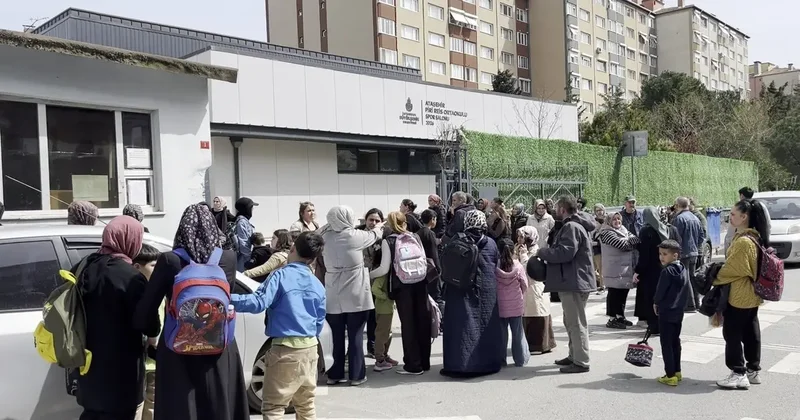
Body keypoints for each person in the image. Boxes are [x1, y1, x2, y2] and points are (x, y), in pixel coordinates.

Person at [133, 204, 249, 420]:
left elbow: (146, 311)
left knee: (181, 410)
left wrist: (152, 333)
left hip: (178, 348)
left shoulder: (170, 260)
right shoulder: (229, 258)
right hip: (219, 347)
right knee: (219, 406)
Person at [230, 232, 326, 419]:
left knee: (274, 408)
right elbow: (319, 321)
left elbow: (258, 303)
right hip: (310, 349)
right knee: (306, 406)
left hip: (284, 349)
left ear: (292, 248)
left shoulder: (281, 276)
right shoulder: (317, 284)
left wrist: (226, 298)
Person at [75, 216, 147, 420]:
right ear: (131, 239)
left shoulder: (83, 266)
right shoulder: (131, 276)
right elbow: (148, 323)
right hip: (120, 371)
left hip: (86, 364)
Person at [319, 205, 384, 386]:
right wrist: (380, 226)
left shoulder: (325, 238)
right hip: (356, 294)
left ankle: (335, 374)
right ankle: (356, 375)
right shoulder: (355, 236)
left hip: (333, 294)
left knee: (336, 337)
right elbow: (375, 234)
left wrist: (328, 224)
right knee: (355, 336)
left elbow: (317, 232)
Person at [440, 210, 505, 378]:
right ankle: (487, 362)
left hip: (459, 288)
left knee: (460, 327)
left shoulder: (457, 240)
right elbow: (495, 263)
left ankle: (459, 364)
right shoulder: (490, 243)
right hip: (486, 290)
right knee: (486, 326)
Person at [537, 196, 596, 374]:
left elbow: (565, 253)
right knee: (570, 321)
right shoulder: (575, 225)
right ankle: (574, 355)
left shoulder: (571, 226)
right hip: (573, 280)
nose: (554, 210)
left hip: (574, 281)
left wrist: (543, 252)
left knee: (576, 323)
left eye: (556, 207)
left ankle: (581, 361)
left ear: (563, 208)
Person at [713, 199, 767, 390]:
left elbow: (734, 269)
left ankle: (738, 372)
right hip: (752, 293)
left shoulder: (744, 241)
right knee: (751, 332)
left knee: (732, 332)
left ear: (744, 217)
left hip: (739, 294)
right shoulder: (755, 237)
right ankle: (753, 370)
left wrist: (712, 275)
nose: (730, 217)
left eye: (733, 214)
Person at [370, 211, 432, 375]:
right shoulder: (415, 237)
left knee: (409, 324)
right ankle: (424, 362)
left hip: (402, 285)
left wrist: (368, 275)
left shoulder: (389, 241)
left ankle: (413, 364)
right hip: (420, 282)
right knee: (422, 321)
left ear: (389, 224)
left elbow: (384, 268)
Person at [635, 207, 682, 334]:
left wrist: (638, 270)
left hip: (651, 271)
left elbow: (644, 255)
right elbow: (678, 247)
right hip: (670, 268)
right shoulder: (670, 229)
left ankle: (654, 326)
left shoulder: (646, 231)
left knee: (653, 297)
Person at [653, 239, 690, 387]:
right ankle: (677, 371)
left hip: (666, 311)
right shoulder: (683, 269)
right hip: (678, 311)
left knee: (666, 343)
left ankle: (670, 375)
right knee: (675, 341)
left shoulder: (667, 271)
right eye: (660, 254)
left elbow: (660, 291)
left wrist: (655, 302)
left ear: (675, 255)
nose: (662, 257)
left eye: (665, 254)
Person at [515, 226, 556, 354]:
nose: (520, 239)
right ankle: (528, 343)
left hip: (535, 287)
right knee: (527, 314)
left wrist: (523, 256)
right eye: (519, 236)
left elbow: (530, 270)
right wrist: (516, 254)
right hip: (525, 288)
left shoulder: (537, 251)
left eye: (523, 236)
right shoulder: (520, 249)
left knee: (537, 314)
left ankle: (540, 345)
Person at [597, 212, 640, 330]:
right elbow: (622, 245)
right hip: (613, 268)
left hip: (624, 268)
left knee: (623, 293)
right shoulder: (605, 232)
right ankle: (612, 319)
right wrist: (630, 242)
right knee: (614, 293)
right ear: (609, 221)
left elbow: (636, 239)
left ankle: (620, 316)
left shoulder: (623, 230)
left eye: (618, 219)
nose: (617, 221)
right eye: (614, 219)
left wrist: (629, 242)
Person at [133, 244, 161, 420]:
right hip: (138, 362)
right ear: (137, 267)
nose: (157, 271)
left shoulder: (159, 290)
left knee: (152, 403)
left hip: (153, 362)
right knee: (137, 404)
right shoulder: (135, 291)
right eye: (153, 266)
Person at [495, 238, 530, 367]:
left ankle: (501, 360)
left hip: (501, 305)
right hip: (516, 304)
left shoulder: (495, 266)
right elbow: (525, 285)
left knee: (502, 334)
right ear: (513, 250)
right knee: (517, 333)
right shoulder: (518, 266)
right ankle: (520, 359)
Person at [357, 208, 385, 358]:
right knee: (360, 316)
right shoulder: (358, 235)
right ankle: (354, 349)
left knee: (375, 315)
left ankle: (372, 346)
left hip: (377, 281)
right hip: (360, 280)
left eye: (377, 220)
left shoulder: (383, 236)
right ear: (365, 220)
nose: (373, 223)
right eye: (371, 219)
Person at [672, 197, 707, 312]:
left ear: (677, 205)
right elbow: (702, 236)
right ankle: (697, 303)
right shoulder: (695, 218)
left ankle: (690, 305)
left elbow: (675, 236)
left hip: (683, 253)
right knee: (692, 277)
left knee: (685, 278)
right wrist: (695, 246)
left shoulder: (679, 219)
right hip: (694, 252)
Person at [724, 187, 772, 253]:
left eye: (733, 215)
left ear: (741, 195)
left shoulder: (739, 208)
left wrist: (729, 246)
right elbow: (768, 224)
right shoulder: (760, 206)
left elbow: (730, 232)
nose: (731, 218)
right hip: (760, 243)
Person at [418, 209, 442, 304]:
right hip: (431, 268)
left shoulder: (418, 232)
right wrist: (439, 269)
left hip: (422, 266)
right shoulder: (430, 233)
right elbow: (433, 253)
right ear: (432, 219)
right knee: (435, 295)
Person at [233, 197, 258, 271]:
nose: (252, 210)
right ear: (246, 208)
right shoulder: (242, 222)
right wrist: (249, 259)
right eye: (251, 207)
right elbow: (243, 243)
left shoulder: (243, 220)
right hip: (243, 260)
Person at [591, 204, 606, 294]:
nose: (599, 212)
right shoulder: (592, 221)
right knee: (596, 267)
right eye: (597, 210)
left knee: (603, 267)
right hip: (596, 246)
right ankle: (601, 283)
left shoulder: (608, 220)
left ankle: (603, 284)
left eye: (601, 210)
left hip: (606, 245)